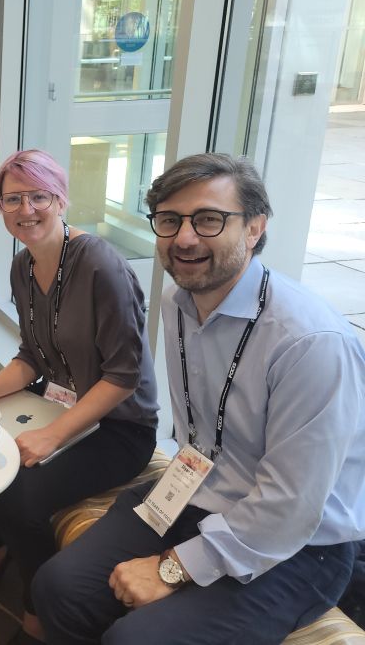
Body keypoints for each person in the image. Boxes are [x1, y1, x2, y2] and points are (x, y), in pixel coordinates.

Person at [33, 153, 365, 645]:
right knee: (58, 587)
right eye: (170, 220)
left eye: (209, 219)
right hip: (197, 490)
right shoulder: (179, 301)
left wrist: (172, 568)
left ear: (254, 228)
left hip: (298, 543)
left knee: (137, 640)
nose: (185, 238)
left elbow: (291, 506)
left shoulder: (309, 343)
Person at [0, 149, 158, 645]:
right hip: (57, 404)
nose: (26, 210)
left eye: (39, 196)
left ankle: (37, 613)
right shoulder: (22, 267)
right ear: (0, 208)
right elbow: (30, 358)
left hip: (119, 426)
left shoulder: (101, 265)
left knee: (20, 496)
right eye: (12, 199)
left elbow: (124, 376)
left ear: (61, 199)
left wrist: (52, 436)